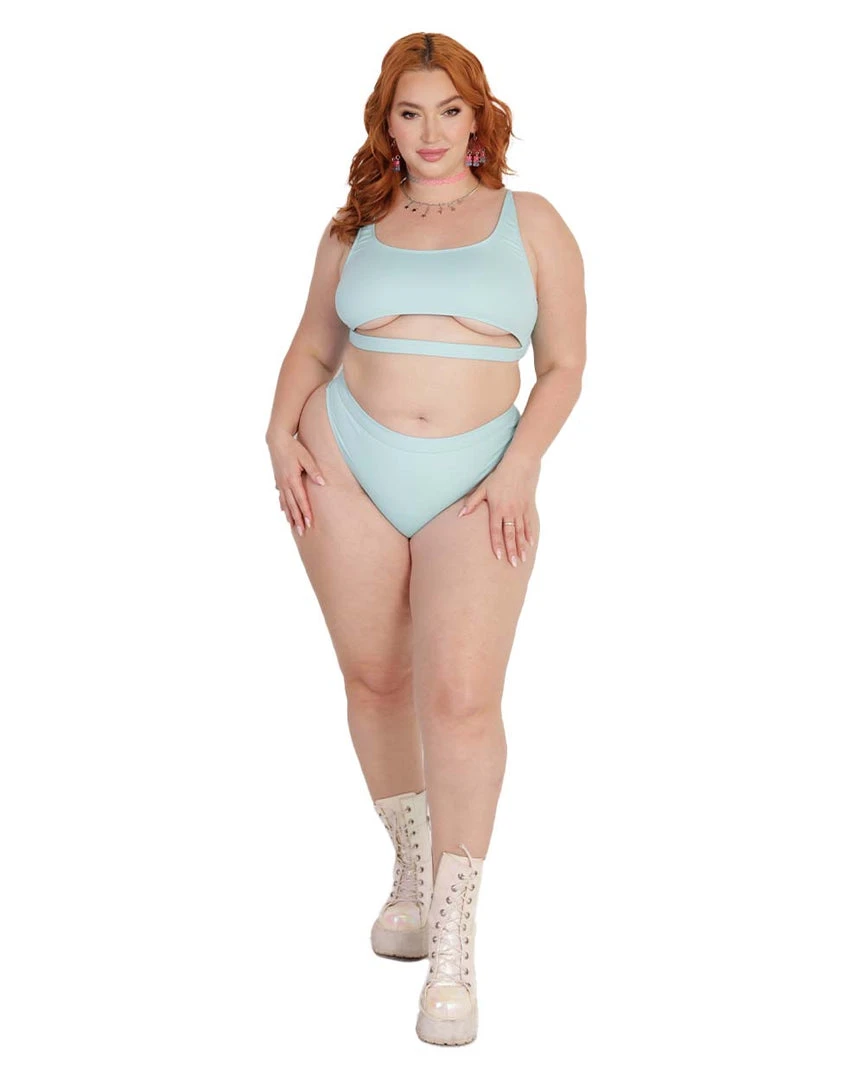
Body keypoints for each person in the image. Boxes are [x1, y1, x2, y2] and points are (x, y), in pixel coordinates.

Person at [265, 32, 586, 1046]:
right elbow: (314, 344)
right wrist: (276, 433)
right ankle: (407, 869)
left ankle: (451, 942)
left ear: (478, 116)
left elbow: (564, 365)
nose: (431, 132)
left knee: (460, 700)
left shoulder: (531, 222)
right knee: (374, 681)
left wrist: (521, 466)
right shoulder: (353, 225)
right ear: (385, 124)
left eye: (449, 110)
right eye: (410, 113)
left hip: (479, 482)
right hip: (345, 464)